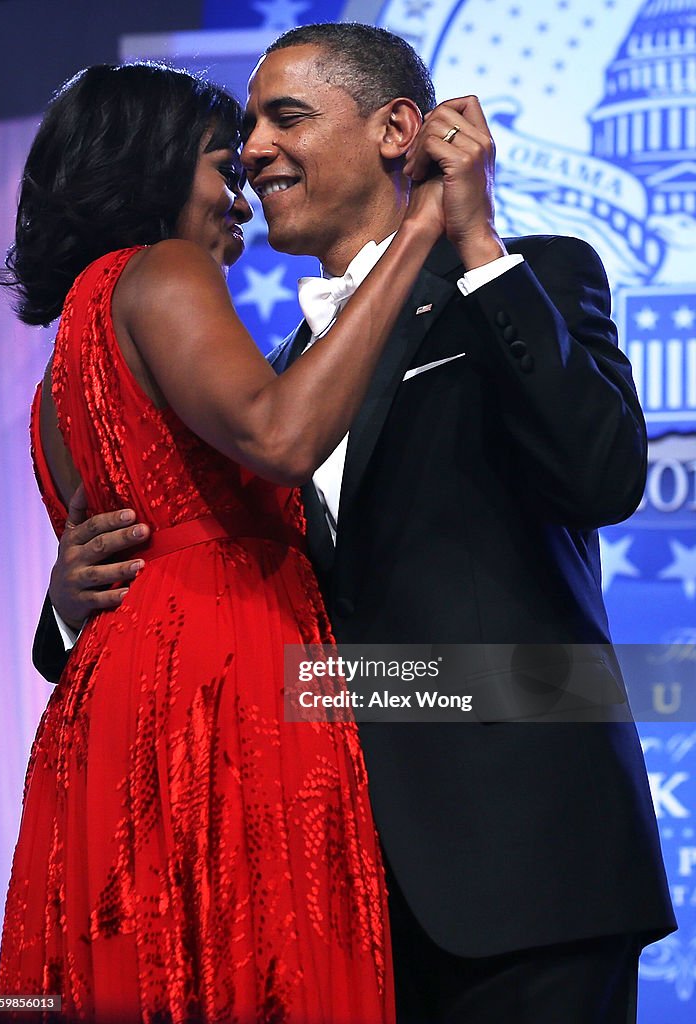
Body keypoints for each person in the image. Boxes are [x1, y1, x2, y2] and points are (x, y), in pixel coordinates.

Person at [33, 24, 676, 1024]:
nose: (251, 149)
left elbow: (603, 477)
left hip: (528, 870)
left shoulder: (525, 277)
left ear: (397, 130)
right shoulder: (282, 377)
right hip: (334, 887)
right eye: (245, 127)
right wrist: (68, 608)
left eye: (285, 116)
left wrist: (475, 247)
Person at [0, 60, 447, 1023]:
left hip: (119, 697)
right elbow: (280, 436)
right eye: (219, 164)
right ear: (153, 168)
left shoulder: (54, 380)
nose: (240, 190)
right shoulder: (161, 271)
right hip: (220, 682)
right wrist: (420, 232)